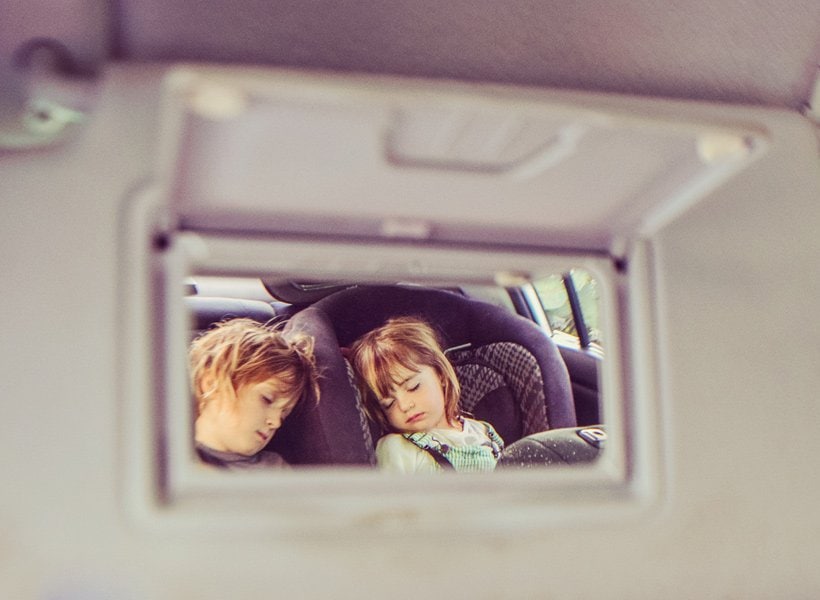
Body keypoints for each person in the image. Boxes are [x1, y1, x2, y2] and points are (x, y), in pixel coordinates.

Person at [349, 316, 503, 473]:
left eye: (413, 387)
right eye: (388, 404)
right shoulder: (398, 447)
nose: (404, 406)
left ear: (440, 375)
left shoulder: (483, 431)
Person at [188, 318, 319, 469]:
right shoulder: (166, 463)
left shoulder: (275, 469)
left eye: (284, 414)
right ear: (211, 384)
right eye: (267, 399)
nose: (276, 422)